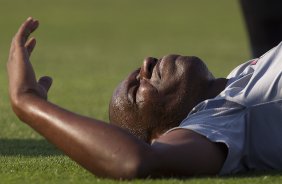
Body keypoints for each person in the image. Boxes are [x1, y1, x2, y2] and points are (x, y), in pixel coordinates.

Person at [7, 17, 282, 179]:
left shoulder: (239, 77)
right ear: (166, 134)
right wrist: (28, 102)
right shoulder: (218, 120)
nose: (147, 63)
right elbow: (136, 161)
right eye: (137, 90)